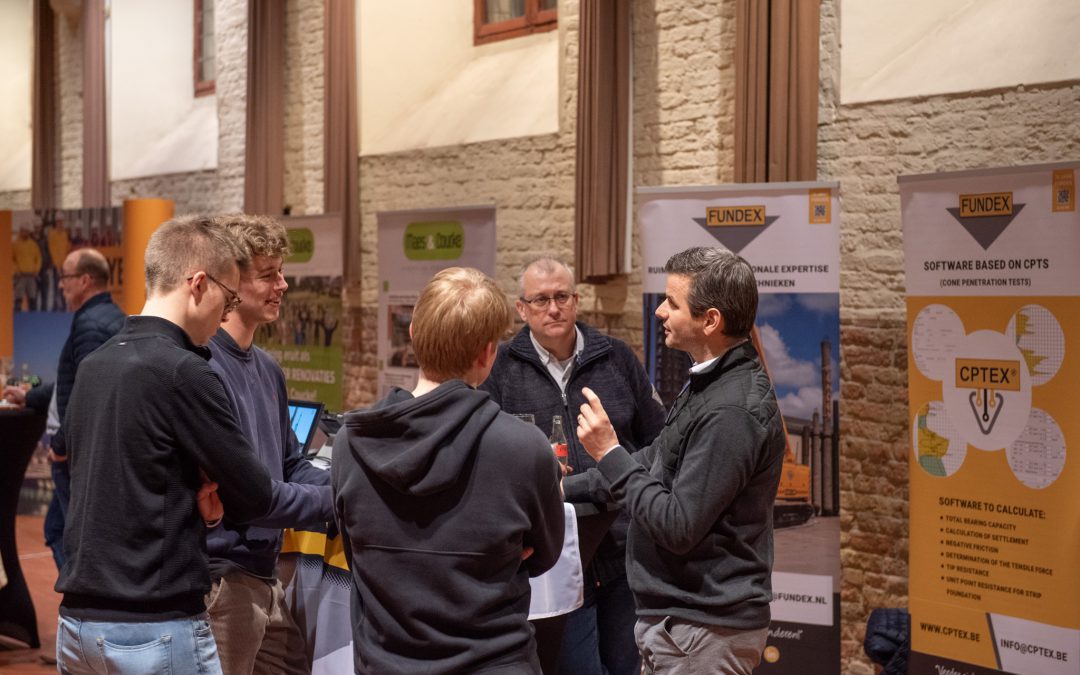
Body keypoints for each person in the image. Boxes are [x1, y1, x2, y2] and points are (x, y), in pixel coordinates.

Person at [55, 216, 274, 674]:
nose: (226, 313)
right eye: (228, 297)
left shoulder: (95, 365)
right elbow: (255, 495)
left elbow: (85, 475)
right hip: (153, 625)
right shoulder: (185, 371)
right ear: (198, 284)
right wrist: (212, 510)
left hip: (76, 627)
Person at [332, 267, 565, 674]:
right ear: (487, 354)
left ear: (414, 336)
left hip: (386, 663)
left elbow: (355, 551)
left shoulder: (350, 441)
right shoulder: (525, 448)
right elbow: (544, 555)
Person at [568, 247, 786, 674]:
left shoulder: (730, 411)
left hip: (704, 632)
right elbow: (656, 461)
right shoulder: (710, 382)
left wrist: (609, 452)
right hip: (682, 627)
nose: (659, 312)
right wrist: (562, 487)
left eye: (672, 302)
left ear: (710, 320)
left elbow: (678, 525)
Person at [480, 255, 666, 675]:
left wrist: (591, 484)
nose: (553, 308)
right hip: (552, 558)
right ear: (521, 309)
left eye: (561, 296)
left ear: (577, 300)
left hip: (623, 550)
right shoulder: (502, 370)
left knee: (625, 665)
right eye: (540, 299)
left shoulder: (616, 358)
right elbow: (489, 458)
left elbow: (659, 443)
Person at [204, 214, 333, 674]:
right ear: (232, 283)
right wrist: (340, 498)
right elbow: (251, 497)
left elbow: (290, 463)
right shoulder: (204, 369)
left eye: (281, 272)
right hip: (222, 582)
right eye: (267, 275)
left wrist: (351, 477)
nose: (281, 285)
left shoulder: (267, 368)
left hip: (263, 575)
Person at [2, 248, 125, 571]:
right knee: (58, 530)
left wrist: (61, 446)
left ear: (85, 280)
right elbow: (73, 382)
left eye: (65, 277)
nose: (60, 285)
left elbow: (89, 393)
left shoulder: (90, 326)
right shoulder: (110, 317)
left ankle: (82, 607)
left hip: (73, 457)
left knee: (75, 540)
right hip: (80, 454)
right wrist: (29, 396)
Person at [12, 225, 41, 311]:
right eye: (23, 231)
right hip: (20, 276)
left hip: (31, 276)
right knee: (18, 298)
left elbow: (38, 258)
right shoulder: (15, 244)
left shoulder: (33, 245)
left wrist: (36, 270)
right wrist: (16, 270)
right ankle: (17, 318)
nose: (25, 233)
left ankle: (33, 318)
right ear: (20, 231)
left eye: (27, 231)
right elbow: (11, 259)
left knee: (32, 298)